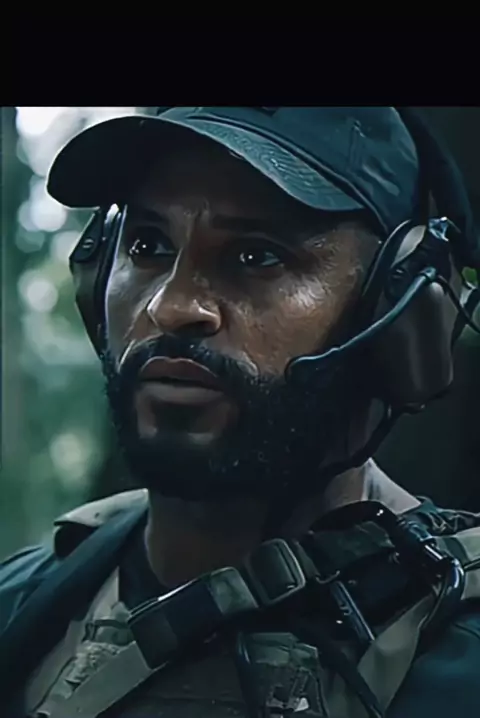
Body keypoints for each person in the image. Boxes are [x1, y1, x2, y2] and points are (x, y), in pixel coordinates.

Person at [1, 106, 480, 718]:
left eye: (258, 257)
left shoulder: (455, 655)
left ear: (401, 315)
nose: (171, 307)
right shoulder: (25, 605)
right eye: (148, 246)